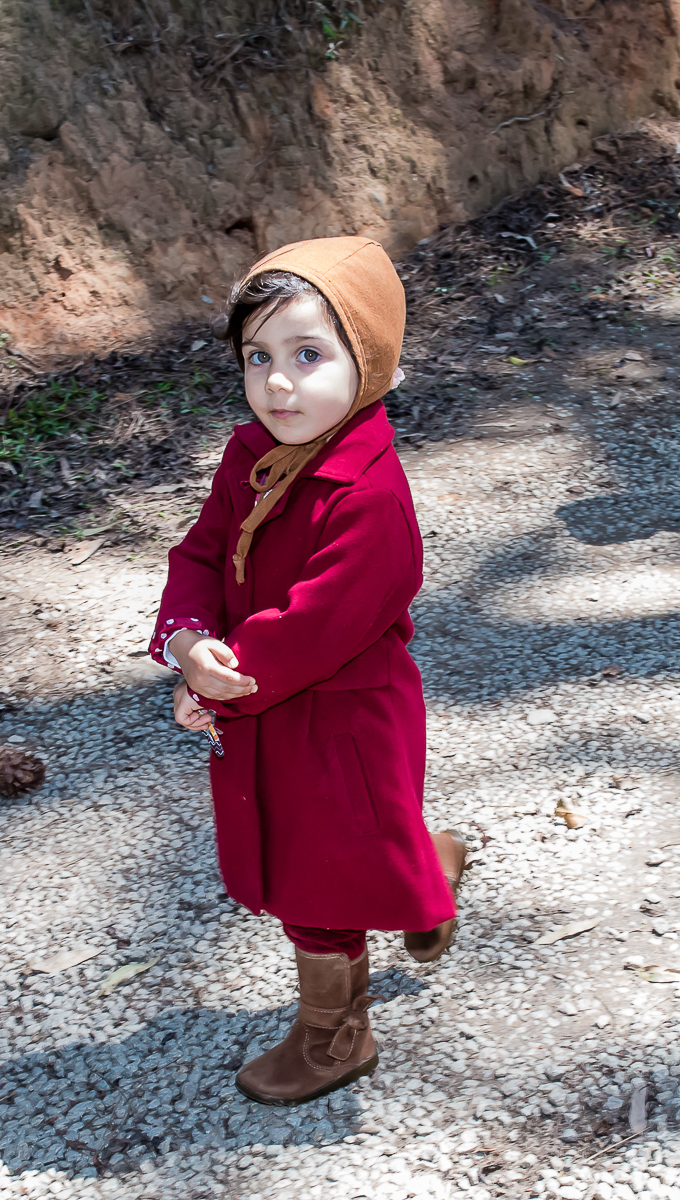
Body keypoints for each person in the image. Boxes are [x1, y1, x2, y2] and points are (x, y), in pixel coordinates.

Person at [149, 236, 465, 1107]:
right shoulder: (251, 456)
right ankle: (425, 872)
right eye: (258, 357)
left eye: (307, 355)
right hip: (267, 702)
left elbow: (317, 625)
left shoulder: (369, 496)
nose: (277, 384)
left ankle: (336, 1037)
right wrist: (187, 642)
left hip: (342, 721)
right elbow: (201, 554)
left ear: (370, 362)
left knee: (317, 873)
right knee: (338, 846)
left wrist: (219, 681)